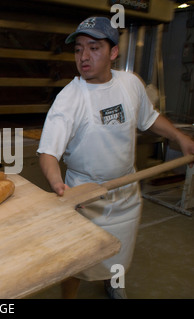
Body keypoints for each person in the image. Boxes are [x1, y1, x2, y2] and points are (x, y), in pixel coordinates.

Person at [37, 16, 194, 299]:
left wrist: (179, 138)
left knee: (120, 250)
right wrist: (58, 184)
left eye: (94, 48)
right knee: (76, 259)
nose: (84, 57)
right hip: (85, 196)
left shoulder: (130, 84)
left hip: (125, 193)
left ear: (113, 53)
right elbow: (48, 152)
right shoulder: (69, 98)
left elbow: (150, 118)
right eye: (78, 49)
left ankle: (113, 283)